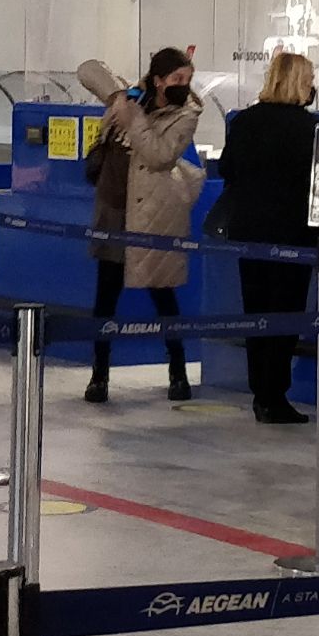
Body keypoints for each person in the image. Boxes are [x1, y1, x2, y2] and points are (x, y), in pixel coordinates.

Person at [78, 49, 205, 405]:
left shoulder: (185, 115)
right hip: (113, 208)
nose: (184, 86)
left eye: (188, 79)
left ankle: (177, 371)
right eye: (177, 79)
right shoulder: (132, 96)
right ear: (159, 79)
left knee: (162, 292)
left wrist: (133, 118)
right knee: (106, 297)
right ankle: (98, 375)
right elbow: (88, 67)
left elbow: (160, 156)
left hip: (150, 215)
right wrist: (119, 97)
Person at [217, 52, 319, 424]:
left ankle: (260, 390)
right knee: (286, 314)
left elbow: (227, 168)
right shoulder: (309, 128)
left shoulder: (245, 121)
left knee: (256, 312)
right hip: (292, 233)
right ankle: (275, 394)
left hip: (249, 231)